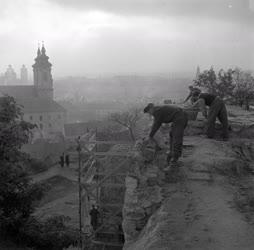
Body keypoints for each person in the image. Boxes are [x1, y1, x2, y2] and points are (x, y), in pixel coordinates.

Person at [144, 103, 188, 167]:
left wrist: (150, 136)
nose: (150, 114)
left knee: (176, 138)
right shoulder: (158, 109)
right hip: (179, 117)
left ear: (151, 109)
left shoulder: (157, 111)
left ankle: (175, 160)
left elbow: (156, 124)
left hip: (180, 118)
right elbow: (156, 122)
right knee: (172, 135)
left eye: (149, 112)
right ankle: (172, 153)